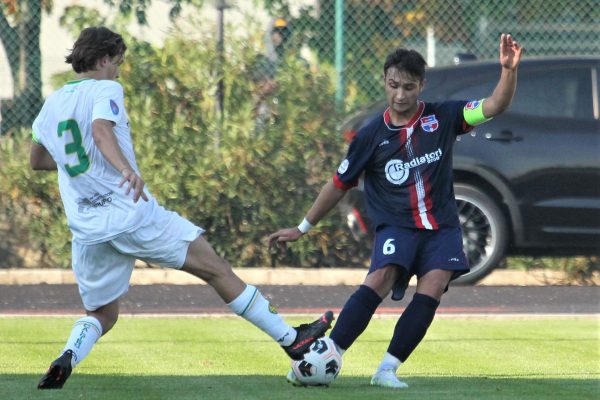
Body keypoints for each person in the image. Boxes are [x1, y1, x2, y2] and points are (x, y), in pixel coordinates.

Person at [31, 27, 334, 390]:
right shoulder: (106, 88)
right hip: (132, 215)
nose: (118, 71)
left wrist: (77, 165)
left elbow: (37, 160)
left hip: (88, 230)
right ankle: (292, 339)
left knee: (101, 314)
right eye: (117, 63)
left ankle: (68, 355)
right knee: (217, 269)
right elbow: (100, 131)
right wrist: (123, 168)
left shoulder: (52, 102)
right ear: (102, 59)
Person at [269, 34, 523, 388]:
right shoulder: (370, 136)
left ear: (421, 85)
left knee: (433, 287)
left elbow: (495, 104)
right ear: (385, 81)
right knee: (381, 277)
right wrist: (302, 227)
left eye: (408, 87)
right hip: (397, 227)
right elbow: (339, 183)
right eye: (393, 85)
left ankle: (386, 370)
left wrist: (508, 71)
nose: (400, 95)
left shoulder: (444, 117)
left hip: (442, 228)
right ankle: (328, 354)